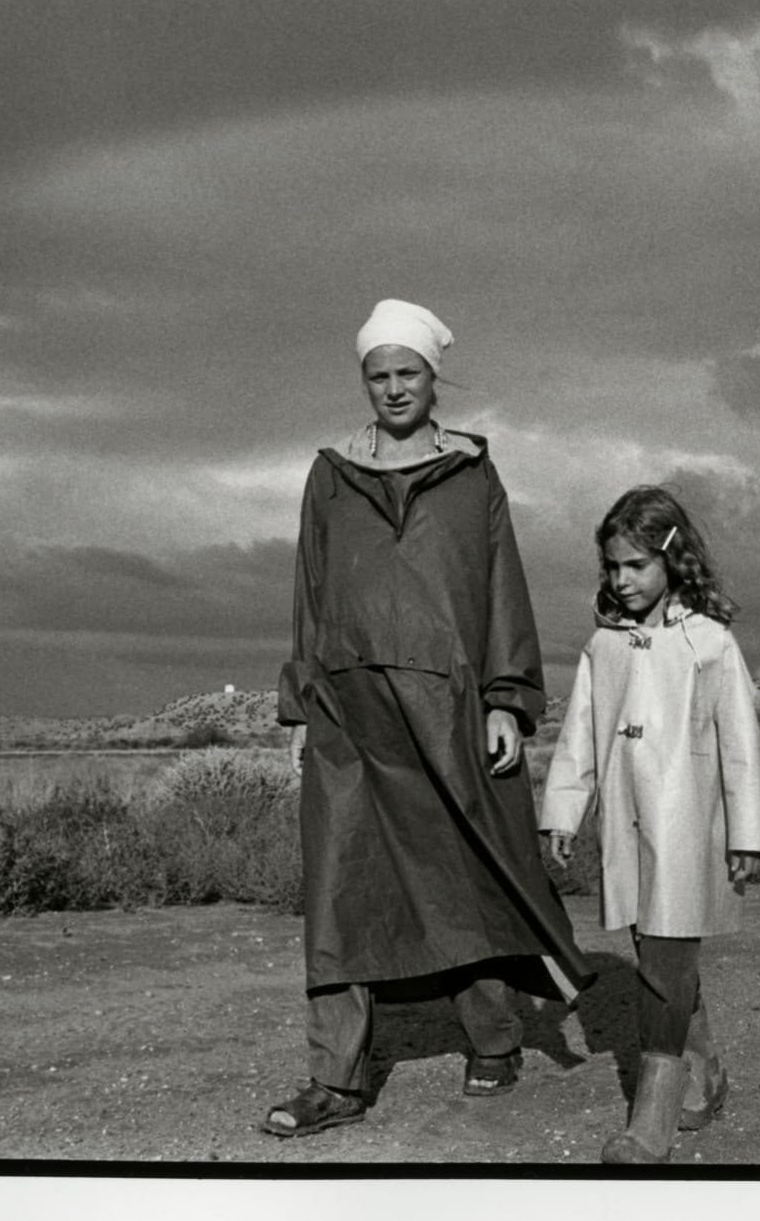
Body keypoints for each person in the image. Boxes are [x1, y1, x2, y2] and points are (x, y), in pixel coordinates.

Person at [260, 298, 594, 1140]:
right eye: (378, 376)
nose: (394, 388)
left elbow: (502, 587)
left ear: (432, 376)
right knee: (339, 889)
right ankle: (335, 1079)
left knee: (461, 874)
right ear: (364, 381)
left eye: (407, 372)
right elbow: (310, 590)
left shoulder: (472, 475)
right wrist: (301, 704)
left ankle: (494, 1038)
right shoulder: (330, 474)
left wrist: (506, 699)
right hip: (348, 714)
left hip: (448, 710)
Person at [540, 485, 760, 1165]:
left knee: (665, 966)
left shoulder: (711, 643)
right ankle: (707, 1072)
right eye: (612, 566)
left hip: (689, 828)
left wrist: (747, 833)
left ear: (673, 558)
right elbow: (579, 734)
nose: (622, 580)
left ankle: (654, 1120)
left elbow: (741, 743)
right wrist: (563, 810)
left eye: (636, 565)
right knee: (657, 956)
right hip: (627, 825)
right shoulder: (602, 647)